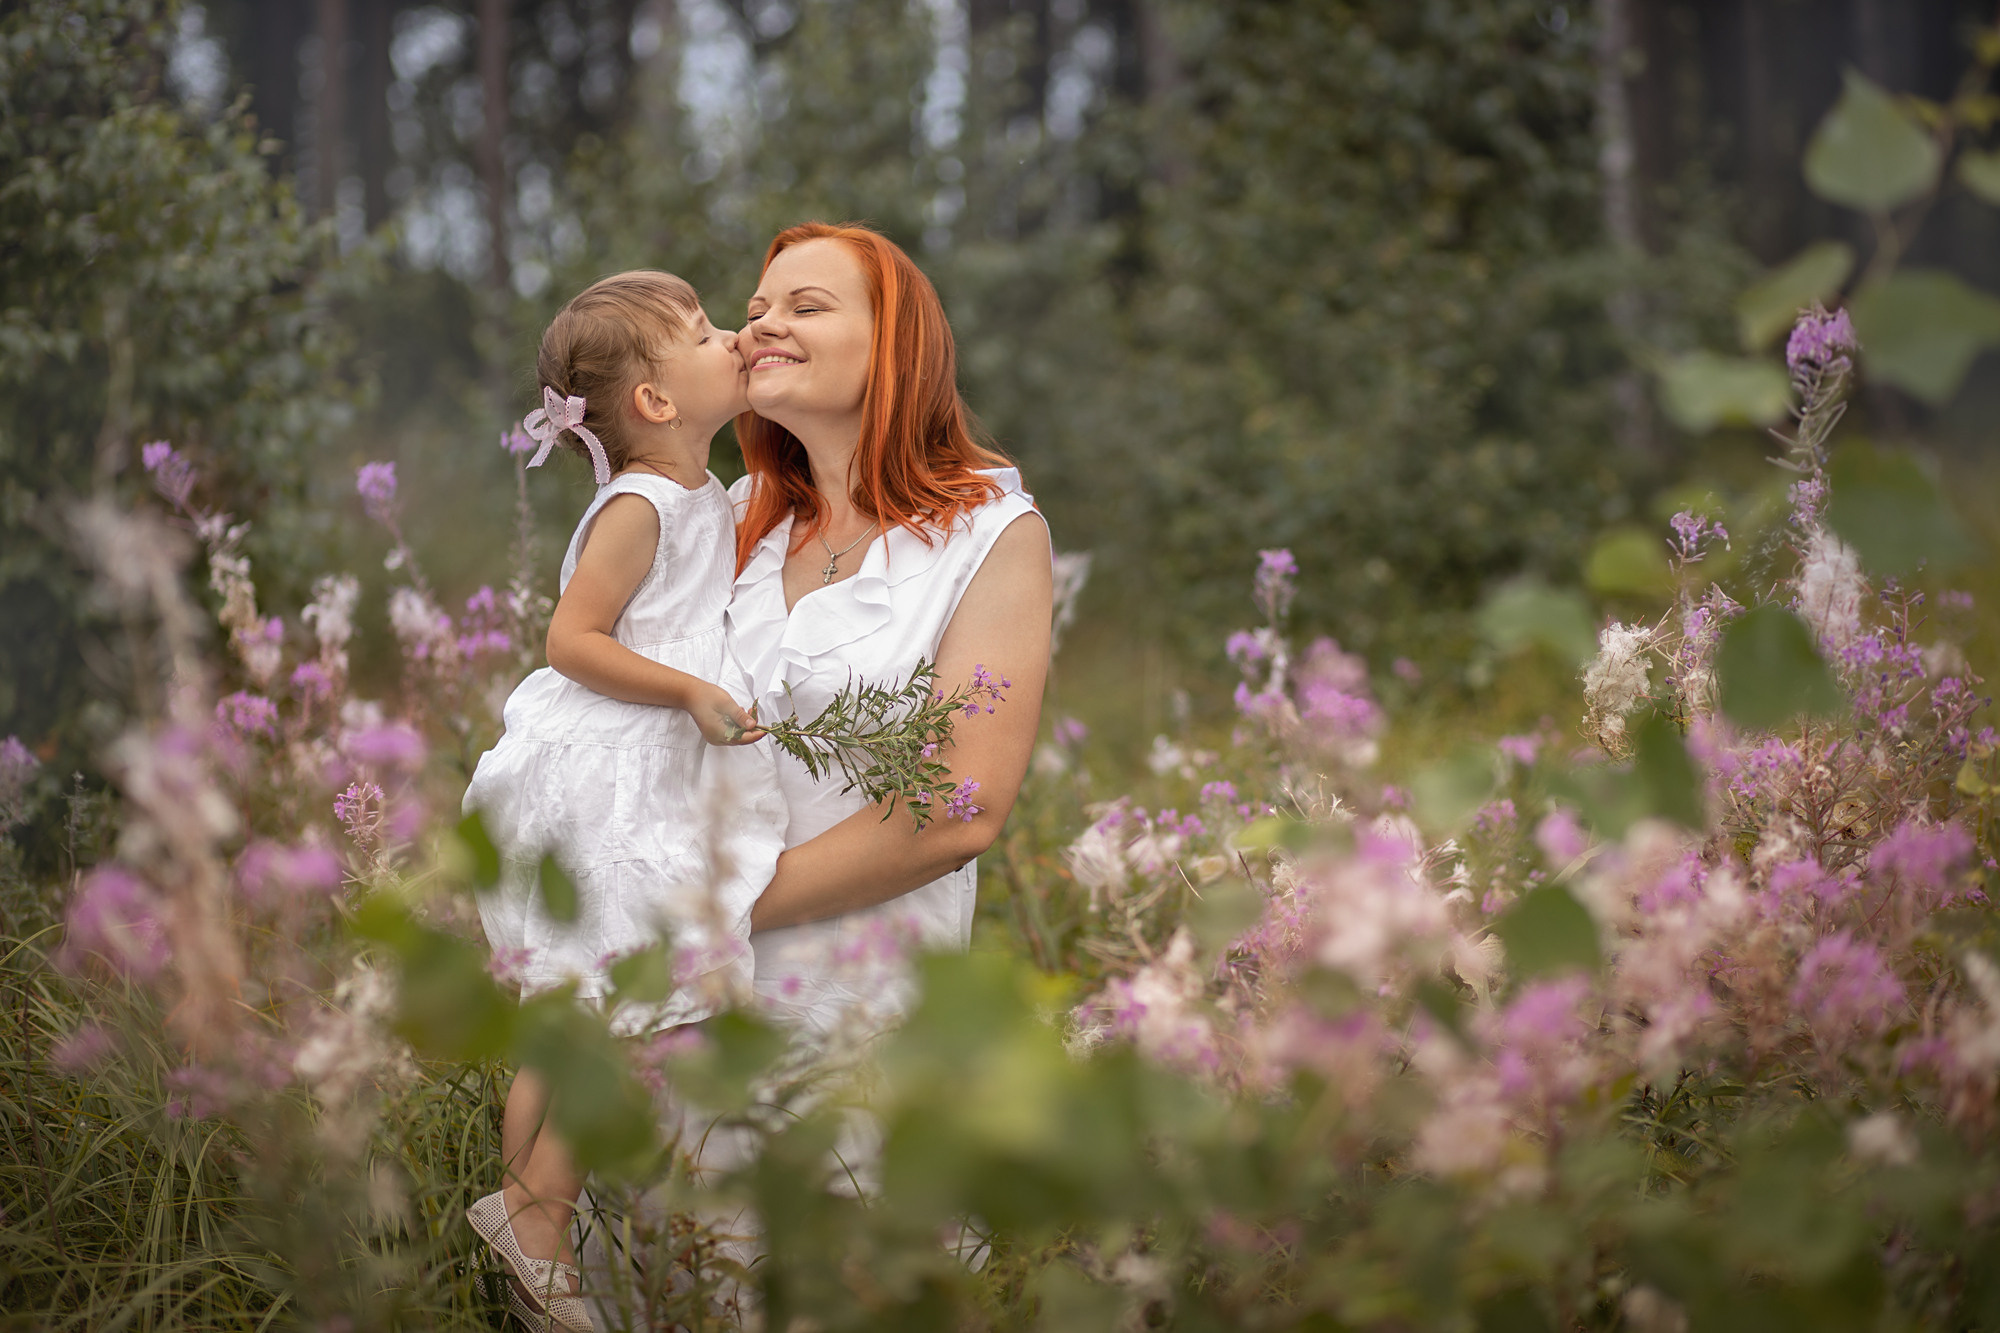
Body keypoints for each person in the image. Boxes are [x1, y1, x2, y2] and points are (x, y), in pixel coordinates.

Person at [460, 270, 785, 1333]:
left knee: (571, 1009)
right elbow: (572, 639)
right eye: (702, 333)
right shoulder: (641, 504)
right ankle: (537, 1214)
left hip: (626, 762)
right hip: (604, 769)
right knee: (631, 999)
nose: (733, 334)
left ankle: (524, 1223)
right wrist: (690, 686)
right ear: (652, 401)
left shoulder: (695, 489)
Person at [727, 220, 1053, 1038]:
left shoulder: (991, 534)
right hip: (678, 1015)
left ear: (894, 346)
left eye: (806, 306)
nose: (760, 324)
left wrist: (710, 913)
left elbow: (957, 809)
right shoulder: (728, 521)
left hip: (860, 1017)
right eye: (757, 307)